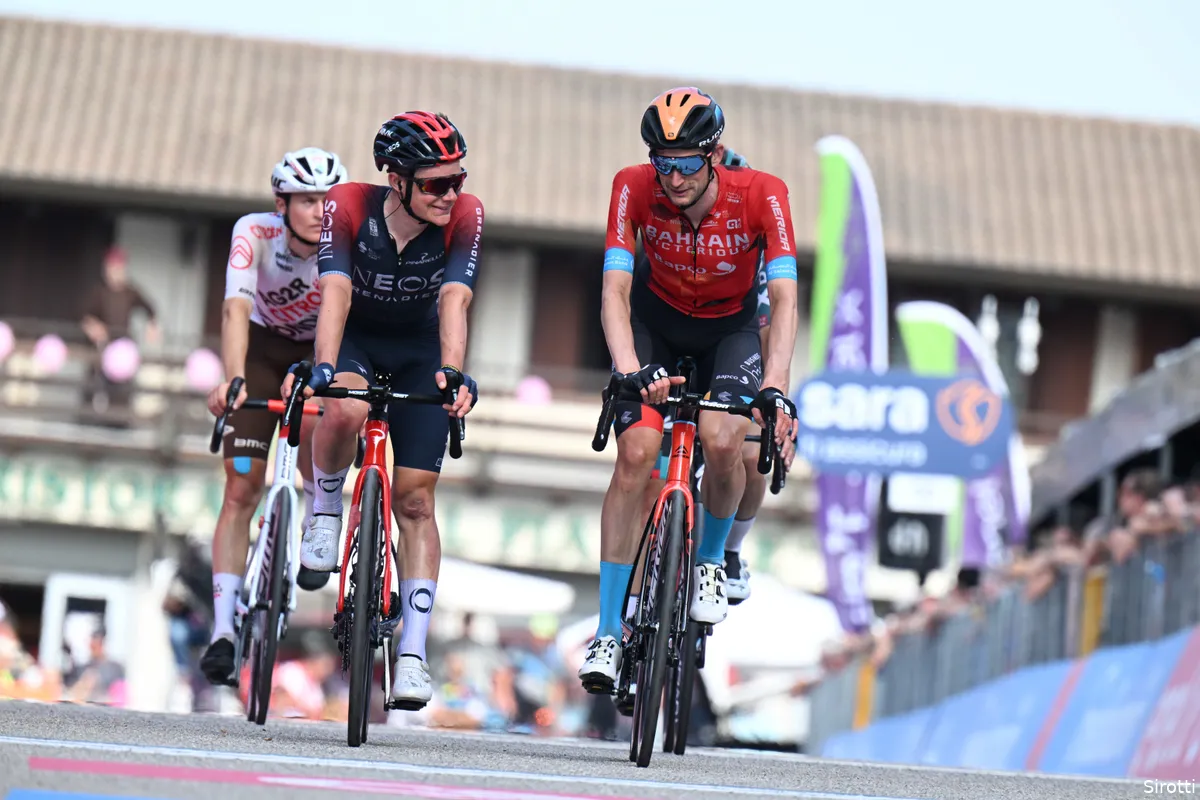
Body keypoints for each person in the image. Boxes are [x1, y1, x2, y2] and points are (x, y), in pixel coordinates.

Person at [579, 87, 800, 692]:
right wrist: (628, 369)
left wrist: (776, 386)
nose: (671, 176)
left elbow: (782, 300)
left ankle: (709, 561)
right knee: (635, 456)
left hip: (729, 332)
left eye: (685, 163)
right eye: (662, 162)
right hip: (656, 326)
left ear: (715, 154)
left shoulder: (762, 193)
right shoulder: (632, 185)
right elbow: (615, 291)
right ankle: (606, 633)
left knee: (727, 441)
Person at [281, 111, 483, 710]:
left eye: (457, 180)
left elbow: (455, 297)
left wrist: (449, 372)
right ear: (396, 180)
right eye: (434, 184)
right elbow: (336, 291)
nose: (450, 194)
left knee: (417, 500)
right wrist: (323, 367)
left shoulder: (465, 217)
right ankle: (324, 506)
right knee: (341, 410)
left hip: (421, 348)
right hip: (358, 338)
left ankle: (414, 655)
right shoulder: (345, 206)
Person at [198, 147, 349, 686]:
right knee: (240, 489)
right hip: (260, 352)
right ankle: (222, 629)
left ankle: (315, 519)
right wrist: (232, 377)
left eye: (327, 201)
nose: (318, 211)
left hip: (319, 352)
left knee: (315, 431)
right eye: (307, 200)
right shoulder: (254, 233)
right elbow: (235, 307)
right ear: (280, 203)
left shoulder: (346, 238)